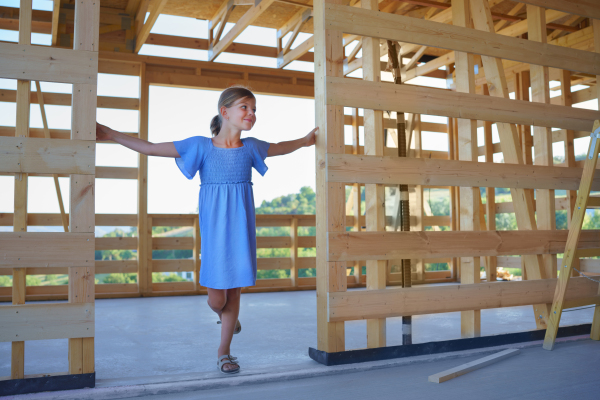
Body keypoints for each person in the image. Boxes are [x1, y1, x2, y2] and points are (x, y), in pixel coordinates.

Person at [96, 85, 317, 374]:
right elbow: (150, 148)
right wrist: (112, 134)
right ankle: (228, 317)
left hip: (241, 228)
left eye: (254, 110)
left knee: (234, 293)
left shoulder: (251, 147)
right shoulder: (200, 146)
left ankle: (224, 351)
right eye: (245, 107)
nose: (251, 114)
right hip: (214, 230)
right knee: (218, 299)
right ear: (224, 112)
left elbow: (281, 147)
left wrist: (304, 140)